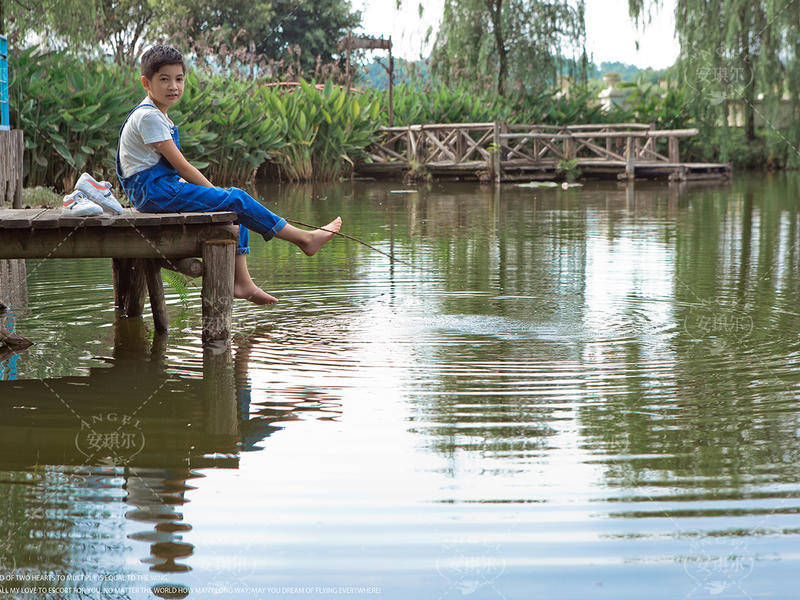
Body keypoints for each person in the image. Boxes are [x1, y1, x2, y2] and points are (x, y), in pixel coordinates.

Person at [116, 45, 341, 305]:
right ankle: (304, 239)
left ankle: (243, 282)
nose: (173, 86)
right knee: (234, 199)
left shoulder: (155, 115)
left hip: (155, 192)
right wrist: (217, 194)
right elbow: (183, 168)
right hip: (155, 193)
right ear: (146, 82)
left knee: (234, 202)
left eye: (179, 79)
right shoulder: (149, 118)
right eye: (164, 79)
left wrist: (219, 195)